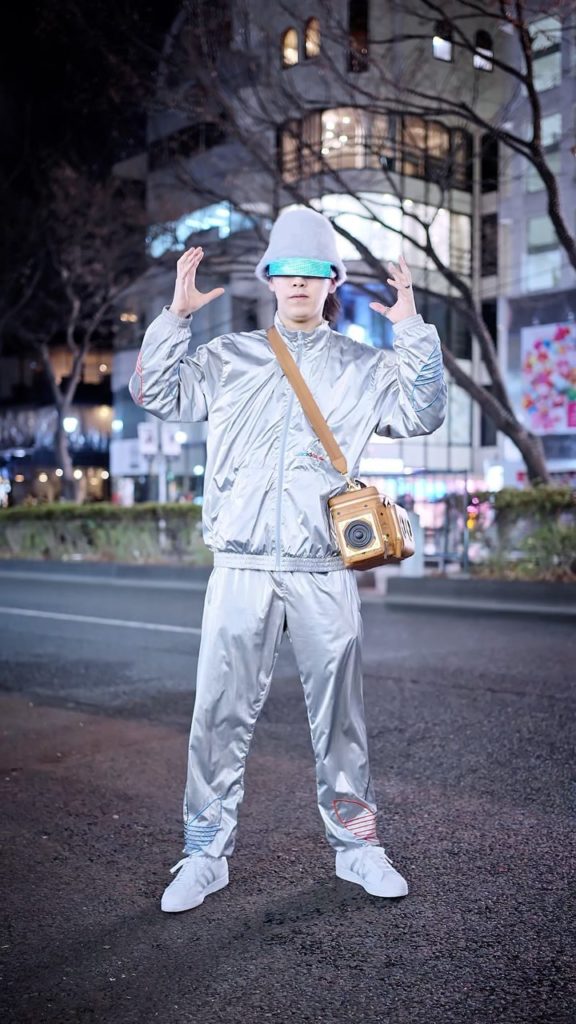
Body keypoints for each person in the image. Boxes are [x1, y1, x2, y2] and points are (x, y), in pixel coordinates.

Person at [129, 207, 447, 912]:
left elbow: (425, 414)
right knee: (215, 715)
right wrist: (175, 318)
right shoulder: (230, 357)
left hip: (323, 569)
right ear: (270, 280)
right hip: (239, 565)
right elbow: (156, 392)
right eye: (285, 271)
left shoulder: (365, 367)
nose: (298, 282)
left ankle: (358, 847)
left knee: (342, 720)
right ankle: (204, 853)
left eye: (311, 271)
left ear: (330, 280)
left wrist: (413, 332)